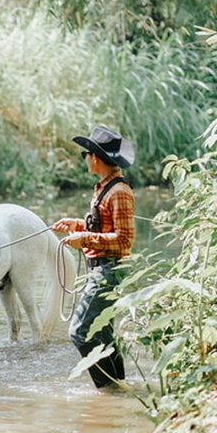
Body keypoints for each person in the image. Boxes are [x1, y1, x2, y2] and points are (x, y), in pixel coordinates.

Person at [52, 125, 135, 388]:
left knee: (80, 332)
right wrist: (77, 224)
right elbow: (104, 227)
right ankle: (119, 387)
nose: (85, 159)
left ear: (95, 158)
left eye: (85, 154)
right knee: (103, 332)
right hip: (100, 268)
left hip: (108, 270)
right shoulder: (104, 187)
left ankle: (107, 391)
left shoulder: (119, 192)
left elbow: (124, 240)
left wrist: (84, 239)